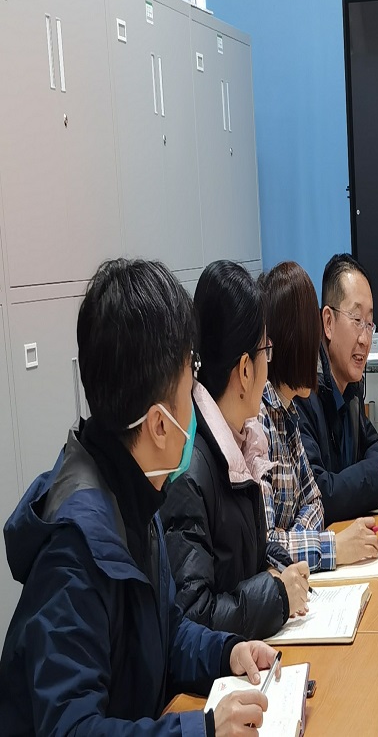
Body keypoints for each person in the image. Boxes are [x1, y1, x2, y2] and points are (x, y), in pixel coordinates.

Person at [0, 259, 279, 735]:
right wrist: (203, 730)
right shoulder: (75, 549)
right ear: (158, 425)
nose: (196, 403)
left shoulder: (135, 489)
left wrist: (226, 651)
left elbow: (165, 632)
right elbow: (72, 729)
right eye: (189, 386)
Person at [161, 260, 310, 639]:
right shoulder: (190, 470)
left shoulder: (239, 442)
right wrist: (277, 596)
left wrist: (282, 569)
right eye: (266, 351)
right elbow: (193, 615)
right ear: (245, 370)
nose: (268, 366)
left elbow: (246, 556)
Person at [257, 262, 378, 570]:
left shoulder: (288, 411)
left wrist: (298, 539)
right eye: (308, 334)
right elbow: (266, 545)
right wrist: (327, 546)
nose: (316, 348)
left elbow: (313, 501)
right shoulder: (261, 418)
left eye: (369, 324)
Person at [296, 253, 378, 523]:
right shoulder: (302, 392)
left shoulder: (350, 389)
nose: (365, 339)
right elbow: (317, 494)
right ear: (328, 322)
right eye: (357, 319)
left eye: (369, 324)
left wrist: (373, 476)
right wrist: (376, 479)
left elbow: (375, 447)